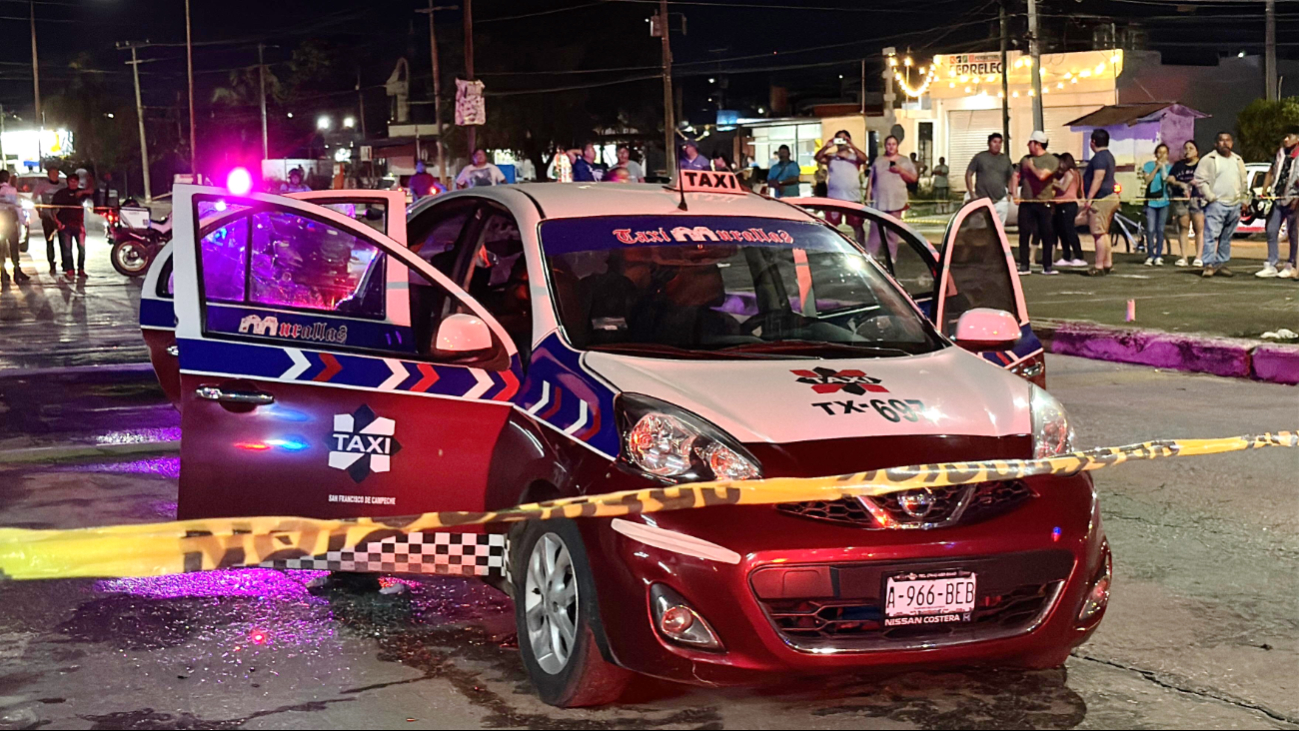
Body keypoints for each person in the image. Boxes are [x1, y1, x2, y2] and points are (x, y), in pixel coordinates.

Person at [1193, 131, 1249, 278]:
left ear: (1232, 143)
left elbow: (1244, 182)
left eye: (1228, 140)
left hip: (1234, 204)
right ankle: (1209, 264)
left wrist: (1244, 200)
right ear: (1216, 143)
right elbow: (1200, 180)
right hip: (1216, 204)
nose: (1225, 143)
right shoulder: (1209, 159)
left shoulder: (1237, 160)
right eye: (1221, 141)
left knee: (1226, 236)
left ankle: (1221, 263)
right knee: (1211, 235)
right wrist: (1211, 197)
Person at [1256, 125, 1299, 279]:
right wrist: (1265, 189)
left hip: (1294, 199)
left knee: (1294, 234)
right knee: (1271, 230)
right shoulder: (1281, 153)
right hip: (1277, 197)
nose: (1285, 139)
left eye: (1289, 136)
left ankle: (1291, 264)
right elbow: (1271, 170)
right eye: (1285, 137)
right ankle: (1271, 263)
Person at [1016, 131, 1060, 275]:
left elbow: (1042, 176)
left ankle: (1047, 266)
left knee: (1046, 234)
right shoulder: (1024, 159)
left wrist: (1031, 167)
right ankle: (1024, 265)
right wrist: (1014, 193)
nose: (1028, 145)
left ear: (1038, 144)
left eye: (1031, 143)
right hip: (1027, 202)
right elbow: (1015, 176)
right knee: (1024, 233)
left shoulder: (1051, 160)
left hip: (1044, 202)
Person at [816, 130, 871, 244]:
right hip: (834, 198)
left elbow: (864, 159)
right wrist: (826, 146)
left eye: (844, 139)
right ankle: (831, 249)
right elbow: (818, 158)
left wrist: (852, 146)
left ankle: (862, 250)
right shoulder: (831, 157)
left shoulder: (854, 157)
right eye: (839, 139)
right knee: (831, 227)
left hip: (853, 198)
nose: (842, 142)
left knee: (857, 226)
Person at [1082, 129, 1120, 276]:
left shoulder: (1099, 158)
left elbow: (1098, 178)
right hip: (1110, 196)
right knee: (1104, 233)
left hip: (1102, 198)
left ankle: (1098, 265)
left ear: (1093, 142)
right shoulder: (1109, 156)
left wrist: (1090, 198)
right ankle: (1107, 262)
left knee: (1098, 233)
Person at [1168, 140, 1205, 267]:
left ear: (1196, 151)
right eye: (1185, 148)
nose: (1187, 151)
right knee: (1183, 227)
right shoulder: (1178, 165)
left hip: (1197, 199)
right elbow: (1170, 178)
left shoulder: (1202, 165)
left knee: (1199, 228)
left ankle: (1198, 257)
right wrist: (1180, 184)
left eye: (1191, 148)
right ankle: (1184, 257)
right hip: (1180, 199)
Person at [965, 133, 1014, 223]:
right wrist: (971, 192)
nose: (997, 145)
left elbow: (1012, 176)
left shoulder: (1005, 159)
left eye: (999, 142)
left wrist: (1010, 194)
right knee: (981, 228)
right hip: (981, 199)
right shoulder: (980, 157)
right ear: (989, 143)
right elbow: (969, 174)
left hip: (1000, 200)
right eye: (994, 142)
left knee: (999, 228)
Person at [1139, 143, 1172, 266]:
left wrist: (1163, 168)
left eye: (1164, 153)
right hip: (1151, 202)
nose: (1162, 155)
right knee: (1150, 229)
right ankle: (1150, 255)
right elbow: (1147, 180)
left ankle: (1159, 255)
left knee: (1160, 229)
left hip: (1164, 202)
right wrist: (1156, 168)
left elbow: (1167, 179)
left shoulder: (1169, 167)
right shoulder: (1148, 165)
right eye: (1160, 152)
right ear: (1156, 154)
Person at [1050, 153, 1085, 268]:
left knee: (1069, 230)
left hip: (1068, 203)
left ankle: (1078, 255)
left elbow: (1064, 187)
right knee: (1062, 231)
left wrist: (1053, 182)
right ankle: (1066, 255)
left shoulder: (1070, 173)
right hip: (1060, 204)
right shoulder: (1069, 174)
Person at [52, 172, 88, 279]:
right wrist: (57, 222)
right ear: (68, 182)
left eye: (75, 182)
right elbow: (53, 209)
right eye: (71, 182)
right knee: (67, 249)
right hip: (65, 225)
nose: (73, 184)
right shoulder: (60, 194)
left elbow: (92, 190)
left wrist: (83, 191)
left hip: (79, 225)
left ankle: (81, 269)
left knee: (81, 249)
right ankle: (69, 269)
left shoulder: (81, 193)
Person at [32, 166, 65, 276]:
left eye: (56, 173)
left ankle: (66, 264)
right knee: (49, 241)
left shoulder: (62, 186)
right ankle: (52, 264)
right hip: (47, 217)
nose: (54, 175)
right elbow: (34, 198)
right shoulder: (42, 185)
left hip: (61, 217)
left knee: (64, 241)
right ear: (48, 174)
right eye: (52, 173)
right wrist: (38, 210)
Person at [0, 171, 28, 284]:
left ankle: (3, 273)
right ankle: (17, 271)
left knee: (1, 248)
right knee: (13, 247)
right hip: (9, 221)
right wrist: (23, 221)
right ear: (8, 178)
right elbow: (18, 207)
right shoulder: (11, 190)